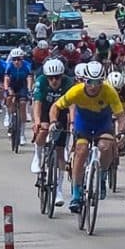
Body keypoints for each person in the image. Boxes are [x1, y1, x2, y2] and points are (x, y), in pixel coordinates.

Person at [49, 61, 125, 214]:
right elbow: (56, 106)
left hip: (102, 124)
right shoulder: (76, 91)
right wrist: (52, 122)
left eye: (98, 82)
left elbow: (121, 115)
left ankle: (102, 176)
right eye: (90, 81)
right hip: (83, 123)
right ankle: (76, 194)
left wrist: (122, 133)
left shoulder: (109, 91)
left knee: (106, 146)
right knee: (81, 150)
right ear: (84, 80)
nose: (94, 86)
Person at [30, 57, 73, 207]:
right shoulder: (41, 81)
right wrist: (37, 122)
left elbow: (72, 106)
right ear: (46, 77)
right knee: (43, 130)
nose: (54, 81)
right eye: (51, 78)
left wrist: (72, 124)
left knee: (60, 152)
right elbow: (37, 104)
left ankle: (59, 190)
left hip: (61, 113)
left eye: (57, 77)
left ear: (62, 76)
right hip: (44, 110)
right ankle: (37, 156)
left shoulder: (69, 82)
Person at [3, 48, 33, 143]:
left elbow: (29, 78)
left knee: (23, 104)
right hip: (12, 84)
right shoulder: (9, 66)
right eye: (14, 59)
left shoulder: (27, 65)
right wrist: (6, 89)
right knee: (9, 97)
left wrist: (29, 90)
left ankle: (22, 134)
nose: (16, 61)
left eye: (19, 59)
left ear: (22, 59)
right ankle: (8, 115)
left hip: (22, 85)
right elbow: (6, 79)